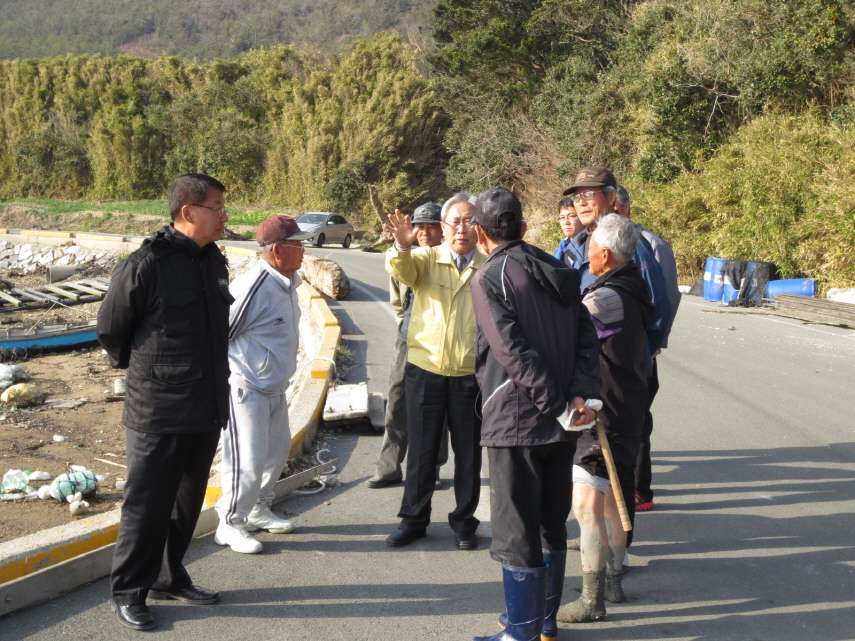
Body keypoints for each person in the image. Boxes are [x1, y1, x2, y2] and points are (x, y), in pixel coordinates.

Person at [97, 174, 232, 631]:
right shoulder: (146, 263)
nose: (225, 216)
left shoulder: (213, 262)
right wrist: (150, 375)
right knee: (146, 503)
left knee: (186, 501)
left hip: (206, 401)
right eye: (218, 207)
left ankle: (169, 575)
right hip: (157, 407)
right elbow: (112, 329)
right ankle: (129, 591)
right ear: (189, 211)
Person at [469, 187, 601, 641]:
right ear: (523, 229)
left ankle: (520, 632)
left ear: (479, 233)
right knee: (549, 522)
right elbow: (588, 336)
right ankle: (543, 624)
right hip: (562, 423)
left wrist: (558, 404)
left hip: (517, 422)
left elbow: (511, 352)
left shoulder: (489, 277)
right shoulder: (559, 267)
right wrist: (580, 398)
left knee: (515, 530)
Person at [557, 214, 654, 624]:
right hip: (628, 405)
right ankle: (614, 581)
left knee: (586, 506)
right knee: (613, 501)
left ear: (605, 253)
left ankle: (591, 600)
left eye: (590, 246)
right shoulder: (633, 286)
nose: (586, 254)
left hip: (606, 413)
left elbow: (568, 332)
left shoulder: (606, 298)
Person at [383, 192, 485, 550]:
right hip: (424, 367)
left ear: (479, 225)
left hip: (470, 373)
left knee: (469, 453)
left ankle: (464, 521)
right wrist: (401, 244)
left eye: (469, 220)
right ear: (443, 228)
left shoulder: (488, 263)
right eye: (454, 221)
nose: (462, 228)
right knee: (422, 449)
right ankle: (413, 519)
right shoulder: (425, 258)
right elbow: (401, 269)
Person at [214, 215, 313, 554]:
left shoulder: (289, 283)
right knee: (248, 459)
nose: (304, 252)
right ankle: (230, 522)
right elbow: (219, 334)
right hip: (246, 388)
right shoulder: (252, 287)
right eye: (298, 245)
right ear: (276, 250)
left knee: (275, 452)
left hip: (274, 387)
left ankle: (258, 509)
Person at [365, 202, 449, 490]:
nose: (425, 233)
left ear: (443, 230)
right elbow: (399, 303)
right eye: (420, 227)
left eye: (431, 227)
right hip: (408, 339)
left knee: (436, 406)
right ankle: (388, 468)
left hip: (440, 343)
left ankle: (432, 468)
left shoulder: (450, 259)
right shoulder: (403, 257)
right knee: (397, 400)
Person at [615, 185, 681, 511]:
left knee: (638, 422)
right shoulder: (594, 243)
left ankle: (640, 490)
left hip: (641, 352)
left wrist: (654, 343)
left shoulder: (651, 244)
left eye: (614, 205)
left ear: (627, 208)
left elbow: (666, 299)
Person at [553, 196, 586, 268]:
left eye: (571, 216)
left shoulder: (591, 245)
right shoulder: (560, 250)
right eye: (562, 218)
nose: (566, 222)